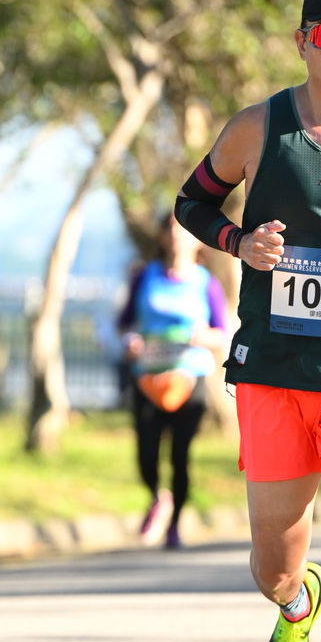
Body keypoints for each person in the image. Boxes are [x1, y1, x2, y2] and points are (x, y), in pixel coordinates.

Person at [175, 0, 321, 642]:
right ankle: (296, 602)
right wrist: (238, 242)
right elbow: (191, 203)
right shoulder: (259, 127)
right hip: (274, 369)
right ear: (302, 43)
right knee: (272, 563)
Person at [118, 212, 228, 549]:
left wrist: (203, 337)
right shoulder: (144, 276)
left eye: (184, 230)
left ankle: (175, 524)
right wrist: (130, 342)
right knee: (146, 454)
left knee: (180, 456)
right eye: (170, 229)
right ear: (162, 236)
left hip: (189, 378)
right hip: (148, 378)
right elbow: (124, 323)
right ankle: (157, 496)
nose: (177, 235)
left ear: (197, 240)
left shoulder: (206, 283)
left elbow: (222, 334)